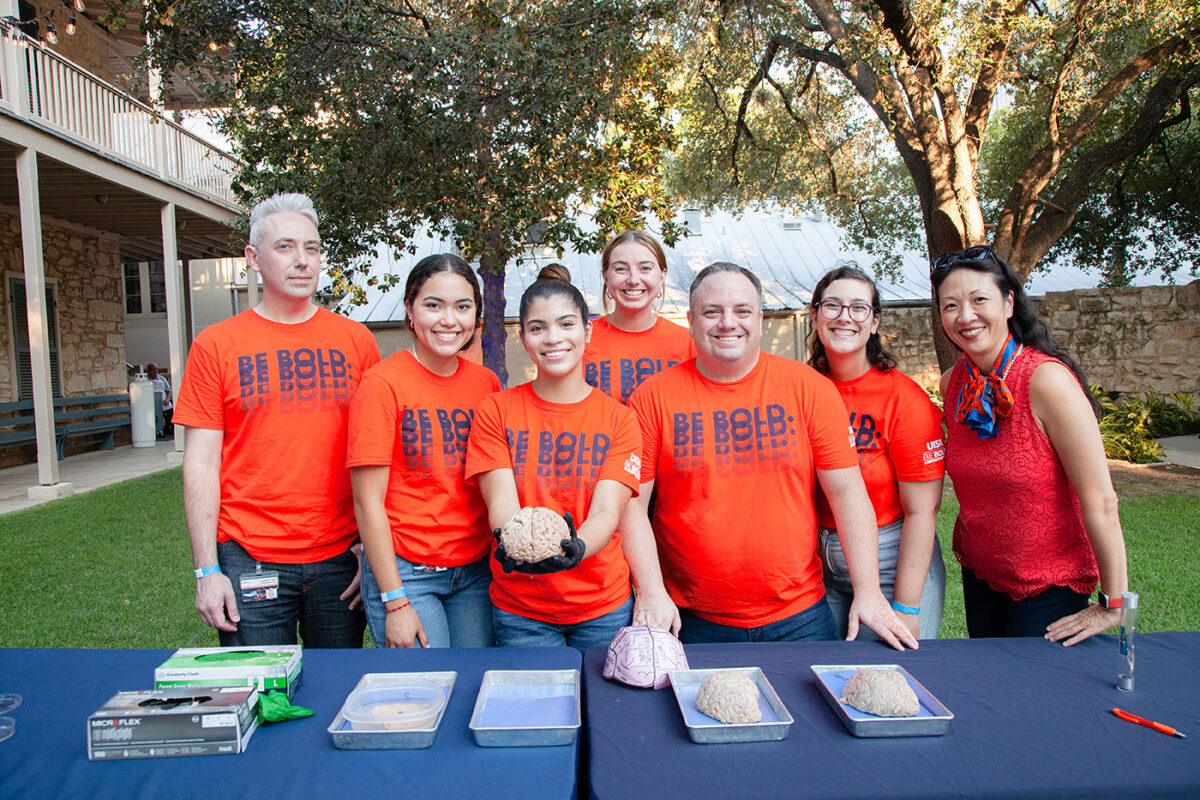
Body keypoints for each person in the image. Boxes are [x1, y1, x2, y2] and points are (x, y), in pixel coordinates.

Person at [624, 262, 919, 649]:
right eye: (712, 311)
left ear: (760, 319)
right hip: (691, 617)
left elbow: (847, 492)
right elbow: (631, 504)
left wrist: (868, 590)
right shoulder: (652, 397)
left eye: (742, 311)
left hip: (799, 615)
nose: (728, 323)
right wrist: (650, 590)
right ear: (692, 322)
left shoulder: (808, 389)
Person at [174, 192, 382, 647]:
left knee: (335, 694)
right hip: (249, 555)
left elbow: (376, 458)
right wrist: (207, 570)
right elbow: (201, 463)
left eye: (312, 248)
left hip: (341, 558)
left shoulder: (356, 341)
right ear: (253, 257)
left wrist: (373, 552)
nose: (302, 261)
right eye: (285, 247)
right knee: (260, 696)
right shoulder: (216, 344)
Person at [932, 245, 1129, 644]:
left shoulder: (1047, 381)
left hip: (1050, 581)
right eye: (950, 305)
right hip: (982, 572)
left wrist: (1114, 602)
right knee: (992, 690)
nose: (965, 316)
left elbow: (1101, 500)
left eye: (979, 299)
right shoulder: (952, 382)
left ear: (1008, 302)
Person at [465, 266, 644, 650]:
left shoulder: (620, 418)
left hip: (602, 606)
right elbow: (501, 501)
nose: (553, 339)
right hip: (521, 609)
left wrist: (576, 549)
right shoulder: (496, 410)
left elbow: (606, 513)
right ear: (523, 336)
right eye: (538, 327)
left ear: (587, 331)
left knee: (605, 707)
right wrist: (513, 542)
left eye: (566, 324)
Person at [347, 254, 500, 649]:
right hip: (408, 571)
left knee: (473, 683)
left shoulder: (486, 384)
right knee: (426, 691)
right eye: (434, 305)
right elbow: (368, 502)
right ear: (410, 310)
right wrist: (395, 601)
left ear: (476, 316)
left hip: (474, 570)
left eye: (463, 307)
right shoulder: (382, 383)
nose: (449, 320)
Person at [808, 265, 946, 640]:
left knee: (891, 679)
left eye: (858, 308)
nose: (844, 317)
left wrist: (906, 606)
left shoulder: (904, 399)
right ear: (815, 315)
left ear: (874, 322)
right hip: (817, 563)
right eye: (832, 306)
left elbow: (922, 511)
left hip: (891, 559)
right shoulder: (801, 389)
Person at [583, 231, 694, 404]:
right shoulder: (581, 341)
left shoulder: (690, 344)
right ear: (605, 276)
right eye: (621, 269)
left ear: (662, 275)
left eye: (645, 268)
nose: (633, 280)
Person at [146, 362, 173, 439]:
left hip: (163, 401)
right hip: (152, 402)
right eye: (152, 369)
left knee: (170, 409)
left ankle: (168, 428)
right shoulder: (146, 380)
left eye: (156, 369)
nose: (155, 371)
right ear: (149, 371)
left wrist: (167, 399)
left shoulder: (162, 379)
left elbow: (169, 390)